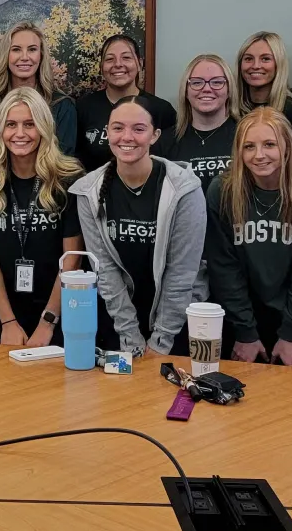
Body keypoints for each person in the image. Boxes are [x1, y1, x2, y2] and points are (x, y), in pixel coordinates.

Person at [70, 96, 205, 358]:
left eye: (138, 129)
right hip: (117, 322)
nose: (127, 137)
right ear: (107, 132)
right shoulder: (88, 191)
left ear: (154, 136)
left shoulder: (185, 190)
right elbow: (105, 270)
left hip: (175, 325)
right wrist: (130, 337)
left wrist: (161, 341)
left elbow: (182, 273)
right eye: (118, 128)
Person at [205, 107, 292, 367]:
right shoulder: (223, 190)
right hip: (239, 321)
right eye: (249, 147)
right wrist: (245, 332)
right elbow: (223, 268)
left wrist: (290, 333)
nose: (259, 155)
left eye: (269, 144)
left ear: (287, 146)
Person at [0, 87, 84, 346]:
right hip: (3, 310)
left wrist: (48, 322)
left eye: (29, 124)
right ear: (0, 130)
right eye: (11, 124)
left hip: (58, 308)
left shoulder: (68, 178)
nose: (20, 134)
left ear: (43, 127)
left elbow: (72, 259)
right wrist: (8, 321)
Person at [75, 33, 176, 173]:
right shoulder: (83, 108)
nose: (118, 64)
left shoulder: (162, 110)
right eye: (110, 59)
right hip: (94, 191)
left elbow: (171, 163)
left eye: (126, 58)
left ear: (139, 64)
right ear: (101, 67)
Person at [0, 22, 78, 153]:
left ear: (41, 55)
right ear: (6, 55)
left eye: (32, 49)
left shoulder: (62, 106)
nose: (24, 57)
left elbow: (65, 161)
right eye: (16, 49)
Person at [156, 54, 238, 194]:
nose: (206, 89)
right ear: (186, 91)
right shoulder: (165, 142)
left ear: (229, 90)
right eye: (197, 82)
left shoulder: (246, 135)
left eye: (217, 82)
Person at [235, 31, 292, 158]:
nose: (255, 66)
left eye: (265, 59)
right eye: (248, 59)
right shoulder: (232, 110)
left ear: (278, 64)